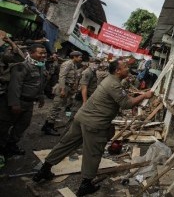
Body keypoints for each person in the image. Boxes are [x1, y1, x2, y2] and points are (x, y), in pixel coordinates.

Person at [33, 58, 154, 196]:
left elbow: (116, 100)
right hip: (94, 124)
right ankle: (85, 185)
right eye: (125, 66)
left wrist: (134, 98)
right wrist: (145, 95)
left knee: (65, 144)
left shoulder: (109, 80)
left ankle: (44, 169)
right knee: (93, 153)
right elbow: (126, 103)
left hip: (82, 118)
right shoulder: (113, 84)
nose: (128, 68)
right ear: (117, 70)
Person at [0, 44, 47, 158]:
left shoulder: (40, 66)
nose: (43, 55)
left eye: (44, 53)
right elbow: (15, 86)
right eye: (40, 53)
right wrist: (14, 103)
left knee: (23, 125)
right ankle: (1, 149)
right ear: (31, 53)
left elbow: (39, 83)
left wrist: (41, 96)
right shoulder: (22, 66)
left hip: (29, 103)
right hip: (18, 102)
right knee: (4, 127)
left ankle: (11, 145)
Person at [41, 51, 83, 136]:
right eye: (80, 57)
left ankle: (48, 125)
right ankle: (48, 127)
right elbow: (62, 76)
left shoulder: (73, 64)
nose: (81, 59)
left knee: (58, 107)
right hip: (63, 87)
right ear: (74, 57)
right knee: (56, 107)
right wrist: (62, 89)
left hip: (67, 88)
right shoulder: (68, 64)